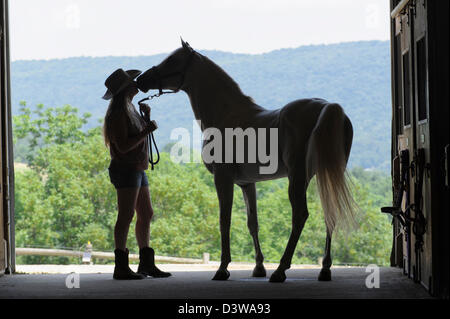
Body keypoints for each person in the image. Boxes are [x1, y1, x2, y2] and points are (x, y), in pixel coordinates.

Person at [102, 68, 171, 280]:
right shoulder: (118, 114)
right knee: (126, 215)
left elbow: (134, 138)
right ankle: (121, 267)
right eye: (132, 82)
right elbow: (123, 147)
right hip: (126, 168)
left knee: (146, 213)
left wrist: (145, 119)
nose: (136, 84)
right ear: (126, 89)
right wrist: (147, 131)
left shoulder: (129, 108)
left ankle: (145, 263)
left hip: (137, 168)